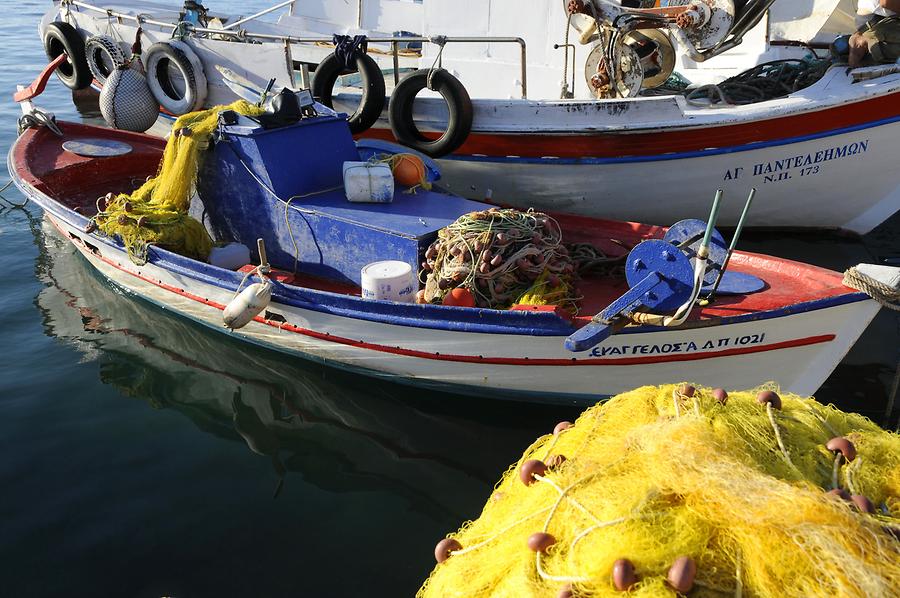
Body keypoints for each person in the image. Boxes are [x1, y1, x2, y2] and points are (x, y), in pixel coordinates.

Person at [849, 1, 900, 67]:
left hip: (877, 22)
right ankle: (863, 42)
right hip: (878, 24)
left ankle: (863, 42)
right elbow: (885, 2)